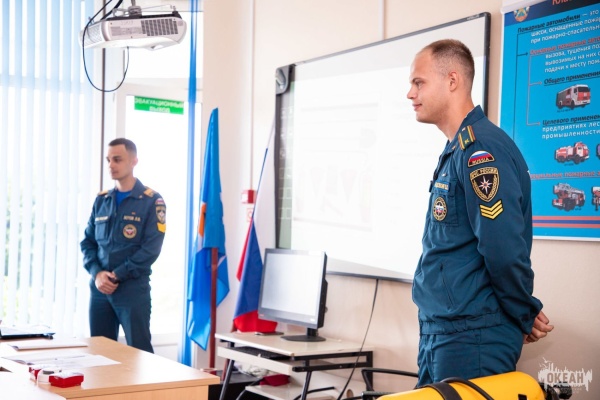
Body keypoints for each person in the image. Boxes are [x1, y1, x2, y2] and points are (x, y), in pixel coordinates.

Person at [406, 39, 553, 386]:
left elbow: (503, 248)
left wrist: (522, 311)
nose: (410, 94)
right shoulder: (458, 147)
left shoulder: (481, 150)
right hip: (444, 332)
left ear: (452, 80)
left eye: (418, 82)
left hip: (472, 337)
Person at [80, 138, 166, 353]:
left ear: (134, 161)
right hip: (100, 290)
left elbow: (151, 249)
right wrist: (97, 273)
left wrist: (117, 275)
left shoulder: (151, 201)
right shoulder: (102, 200)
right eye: (108, 160)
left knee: (140, 352)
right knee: (100, 353)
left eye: (117, 159)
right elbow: (88, 242)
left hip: (132, 289)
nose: (111, 165)